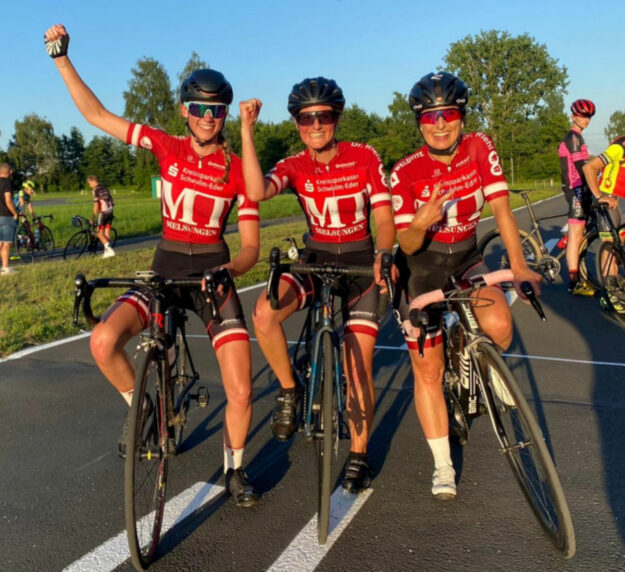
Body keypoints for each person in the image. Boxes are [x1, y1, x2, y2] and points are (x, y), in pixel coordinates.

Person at [44, 24, 260, 506]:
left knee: (241, 391)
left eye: (217, 110)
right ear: (185, 111)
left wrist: (232, 272)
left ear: (225, 114)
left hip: (211, 275)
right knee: (102, 341)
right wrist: (61, 60)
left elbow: (249, 249)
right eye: (200, 109)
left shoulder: (236, 168)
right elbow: (97, 114)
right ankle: (143, 406)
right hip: (164, 268)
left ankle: (235, 468)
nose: (208, 117)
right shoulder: (167, 146)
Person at [390, 72, 542, 500]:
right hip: (422, 271)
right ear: (419, 122)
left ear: (461, 117)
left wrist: (518, 267)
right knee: (429, 370)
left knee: (499, 323)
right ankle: (442, 463)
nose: (441, 124)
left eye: (450, 114)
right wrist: (420, 221)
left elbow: (501, 209)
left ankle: (480, 356)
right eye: (431, 117)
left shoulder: (479, 146)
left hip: (468, 259)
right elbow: (406, 242)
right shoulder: (405, 171)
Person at [241, 77, 396, 493]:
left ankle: (359, 454)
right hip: (316, 261)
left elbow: (384, 217)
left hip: (361, 265)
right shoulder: (294, 164)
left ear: (336, 119)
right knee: (264, 313)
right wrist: (247, 132)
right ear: (296, 124)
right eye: (306, 118)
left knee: (357, 368)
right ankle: (290, 391)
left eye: (323, 116)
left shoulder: (363, 156)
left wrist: (383, 253)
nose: (315, 125)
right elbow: (255, 190)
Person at [558, 99, 597, 296]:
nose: (586, 120)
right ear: (573, 115)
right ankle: (574, 283)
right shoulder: (573, 138)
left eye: (589, 116)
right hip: (576, 189)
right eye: (582, 116)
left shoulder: (579, 138)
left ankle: (566, 241)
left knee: (581, 230)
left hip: (581, 188)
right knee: (576, 233)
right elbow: (583, 167)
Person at [583, 135, 625, 313]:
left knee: (620, 246)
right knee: (610, 247)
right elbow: (589, 167)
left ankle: (617, 283)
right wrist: (600, 196)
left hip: (622, 200)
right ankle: (609, 296)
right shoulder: (619, 149)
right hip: (609, 199)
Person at [86, 175, 115, 258]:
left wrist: (93, 218)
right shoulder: (105, 188)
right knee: (106, 233)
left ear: (94, 181)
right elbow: (112, 201)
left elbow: (96, 206)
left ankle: (110, 250)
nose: (89, 185)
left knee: (99, 234)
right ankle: (107, 253)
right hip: (111, 212)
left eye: (90, 183)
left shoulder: (95, 190)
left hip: (103, 213)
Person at [0, 163, 19, 275]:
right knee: (7, 243)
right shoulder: (6, 183)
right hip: (6, 216)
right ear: (9, 172)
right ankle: (6, 268)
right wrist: (15, 213)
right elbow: (8, 200)